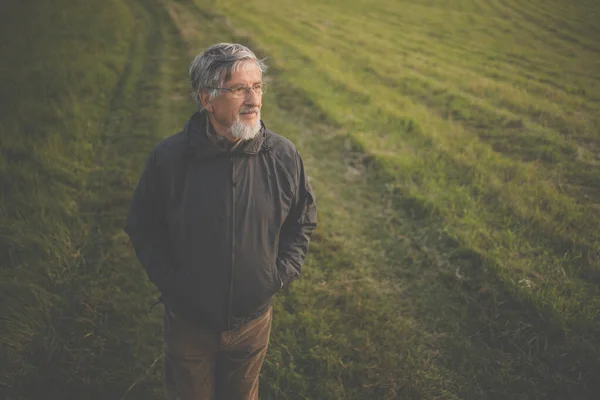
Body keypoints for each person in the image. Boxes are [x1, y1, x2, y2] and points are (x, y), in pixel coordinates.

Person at [125, 43, 317, 400]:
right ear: (207, 99)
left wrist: (277, 275)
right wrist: (173, 283)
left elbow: (302, 221)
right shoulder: (170, 159)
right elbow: (144, 226)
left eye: (257, 86)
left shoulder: (284, 156)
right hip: (189, 323)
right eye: (239, 89)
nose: (253, 99)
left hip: (253, 321)